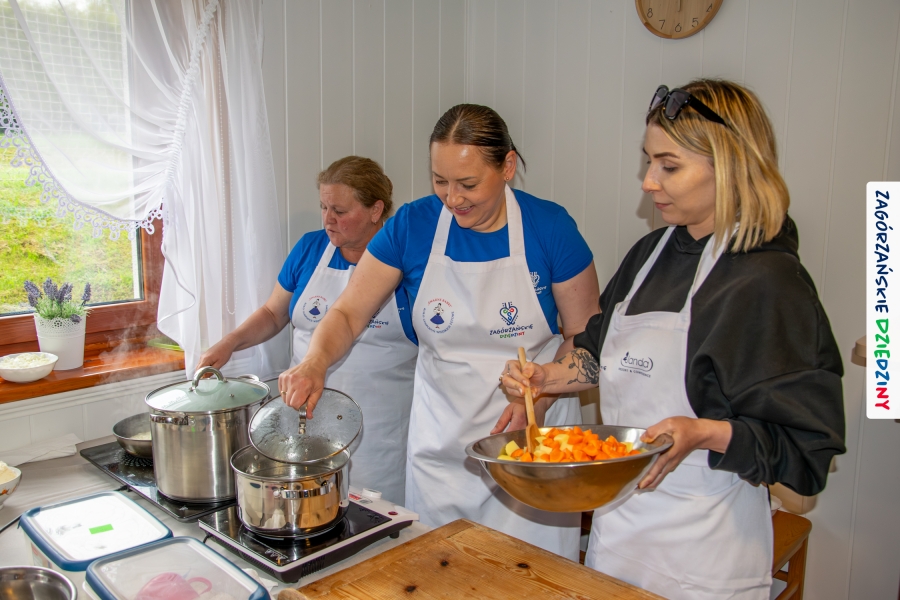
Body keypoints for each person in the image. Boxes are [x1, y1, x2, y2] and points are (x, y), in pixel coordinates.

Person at [501, 79, 846, 599]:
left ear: (729, 165)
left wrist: (702, 433)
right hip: (617, 539)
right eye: (648, 162)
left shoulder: (768, 282)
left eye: (669, 166)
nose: (648, 182)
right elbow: (596, 354)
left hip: (706, 556)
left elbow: (805, 452)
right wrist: (545, 377)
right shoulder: (649, 255)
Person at [279, 104, 600, 560]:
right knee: (441, 569)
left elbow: (584, 338)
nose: (453, 198)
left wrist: (541, 396)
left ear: (507, 166)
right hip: (444, 446)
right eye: (440, 181)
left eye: (468, 183)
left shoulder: (551, 229)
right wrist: (315, 361)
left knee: (532, 574)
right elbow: (347, 312)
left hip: (532, 443)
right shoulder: (412, 226)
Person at [197, 156, 417, 505]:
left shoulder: (406, 262)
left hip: (380, 435)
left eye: (340, 211)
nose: (328, 219)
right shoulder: (310, 249)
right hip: (306, 423)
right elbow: (273, 313)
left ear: (376, 210)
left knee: (377, 519)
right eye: (324, 207)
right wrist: (230, 342)